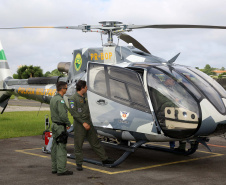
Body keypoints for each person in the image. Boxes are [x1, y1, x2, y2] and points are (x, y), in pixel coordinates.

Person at [68, 80, 114, 171]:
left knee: (95, 142)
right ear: (82, 88)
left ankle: (104, 159)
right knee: (78, 145)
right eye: (86, 87)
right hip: (80, 125)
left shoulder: (87, 96)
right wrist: (83, 123)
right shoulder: (73, 98)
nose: (87, 88)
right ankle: (79, 163)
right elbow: (74, 113)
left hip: (89, 123)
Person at [50, 81, 73, 176]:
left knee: (54, 147)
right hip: (60, 126)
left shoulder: (53, 98)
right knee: (61, 148)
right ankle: (61, 169)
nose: (66, 90)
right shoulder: (60, 100)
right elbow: (63, 115)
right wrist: (68, 123)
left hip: (54, 125)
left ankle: (54, 168)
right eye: (66, 88)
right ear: (62, 89)